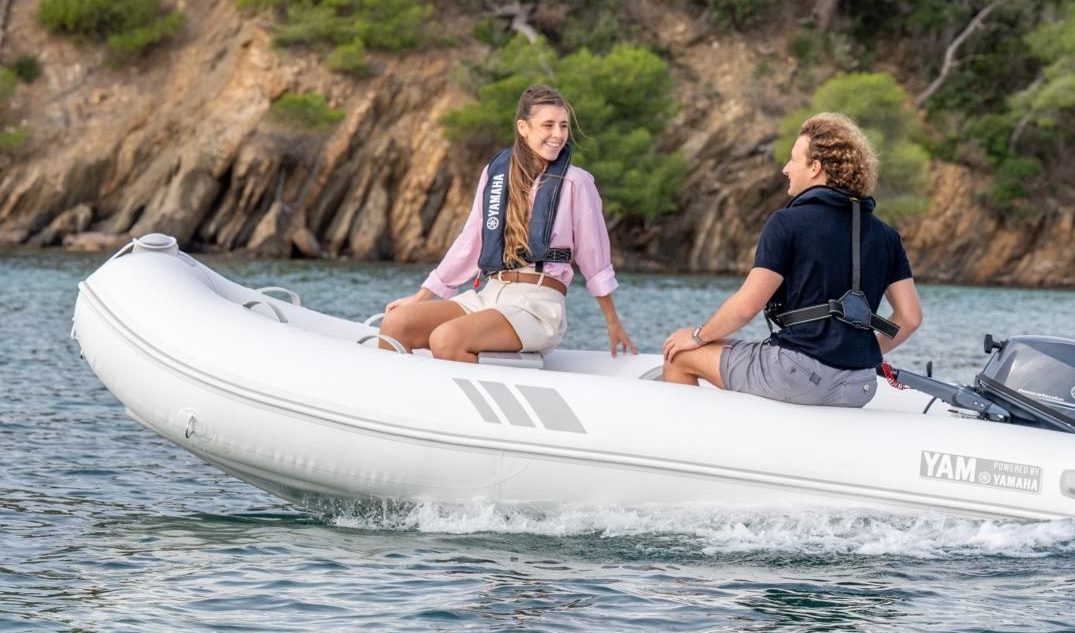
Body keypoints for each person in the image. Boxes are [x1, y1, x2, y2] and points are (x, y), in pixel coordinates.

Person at [660, 112, 921, 406]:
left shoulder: (786, 222)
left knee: (680, 356)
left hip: (797, 375)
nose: (785, 169)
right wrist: (861, 353)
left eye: (793, 159)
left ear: (815, 168)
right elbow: (910, 318)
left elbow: (746, 307)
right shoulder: (887, 235)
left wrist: (696, 336)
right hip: (860, 383)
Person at [383, 84, 635, 363]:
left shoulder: (577, 182)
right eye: (548, 125)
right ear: (523, 127)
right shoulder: (496, 174)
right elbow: (471, 240)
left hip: (537, 305)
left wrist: (613, 322)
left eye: (563, 126)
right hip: (488, 295)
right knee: (396, 325)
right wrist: (420, 297)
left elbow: (594, 258)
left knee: (446, 339)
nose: (558, 135)